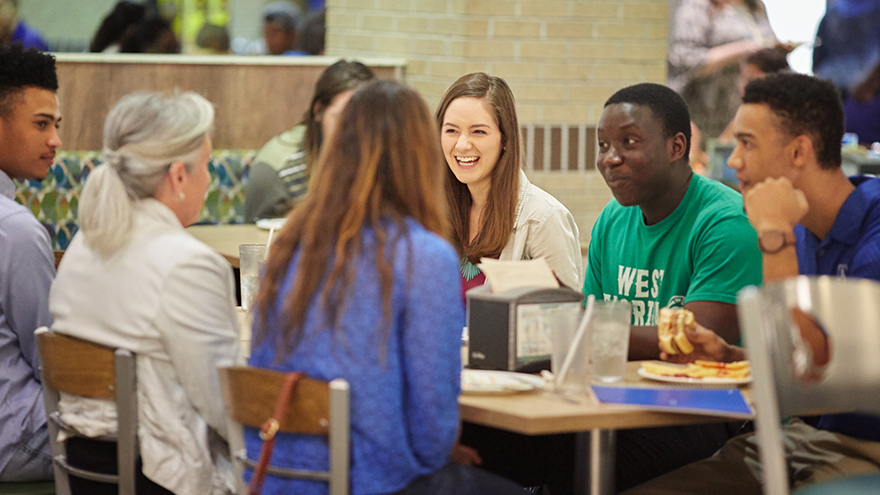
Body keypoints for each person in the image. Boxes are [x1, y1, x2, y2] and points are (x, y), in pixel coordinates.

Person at [248, 79, 525, 495]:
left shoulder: (290, 244)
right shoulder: (423, 256)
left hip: (274, 475)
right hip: (369, 481)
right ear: (420, 154)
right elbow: (434, 431)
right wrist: (441, 453)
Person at [622, 72, 880, 495]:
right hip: (803, 440)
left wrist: (775, 237)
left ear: (799, 151)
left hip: (866, 451)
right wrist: (734, 356)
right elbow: (797, 367)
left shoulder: (861, 232)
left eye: (747, 143)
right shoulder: (796, 230)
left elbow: (811, 381)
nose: (734, 160)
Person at [49, 92, 243, 495]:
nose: (210, 179)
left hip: (83, 471)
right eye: (206, 165)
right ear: (177, 176)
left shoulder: (83, 246)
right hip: (157, 477)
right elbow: (225, 405)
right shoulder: (189, 264)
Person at [584, 82, 763, 490]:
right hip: (626, 405)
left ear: (676, 146)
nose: (610, 159)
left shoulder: (725, 221)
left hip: (716, 418)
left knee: (572, 461)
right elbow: (586, 324)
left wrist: (586, 329)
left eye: (628, 142)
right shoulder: (612, 221)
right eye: (602, 145)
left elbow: (699, 339)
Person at [435, 72, 583, 291]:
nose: (462, 144)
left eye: (478, 131)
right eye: (451, 130)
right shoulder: (435, 210)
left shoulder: (543, 219)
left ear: (505, 139)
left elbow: (562, 315)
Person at [0, 44, 59, 483]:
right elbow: (52, 364)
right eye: (41, 125)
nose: (55, 140)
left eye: (56, 125)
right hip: (14, 440)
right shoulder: (16, 230)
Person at [245, 60, 374, 222]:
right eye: (342, 118)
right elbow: (254, 241)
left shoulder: (379, 156)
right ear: (318, 111)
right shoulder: (276, 167)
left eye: (364, 119)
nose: (353, 130)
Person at [669, 0, 777, 138]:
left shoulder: (756, 6)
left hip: (746, 109)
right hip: (705, 110)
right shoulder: (697, 6)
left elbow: (766, 42)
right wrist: (742, 49)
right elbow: (686, 60)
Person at [812, 0, 880, 99]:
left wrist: (868, 86)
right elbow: (818, 59)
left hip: (869, 97)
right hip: (833, 92)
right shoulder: (831, 15)